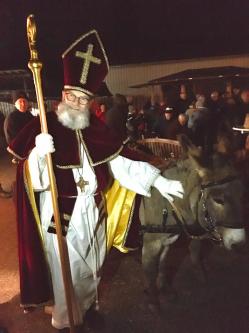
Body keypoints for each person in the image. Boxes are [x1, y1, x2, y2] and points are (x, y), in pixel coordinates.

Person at [8, 30, 184, 331]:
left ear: (90, 102)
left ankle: (87, 308)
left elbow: (122, 164)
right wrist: (38, 153)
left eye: (83, 98)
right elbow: (30, 181)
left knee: (92, 269)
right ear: (63, 97)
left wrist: (158, 181)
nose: (77, 103)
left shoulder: (96, 132)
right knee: (68, 276)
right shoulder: (45, 129)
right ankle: (67, 321)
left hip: (95, 212)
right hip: (62, 218)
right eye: (72, 97)